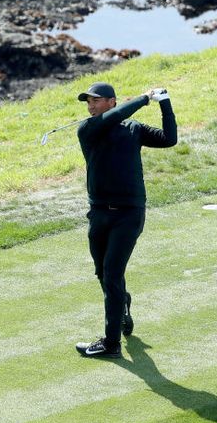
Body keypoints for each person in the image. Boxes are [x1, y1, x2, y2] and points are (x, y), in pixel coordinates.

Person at [73, 82, 176, 358]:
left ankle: (111, 343)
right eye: (88, 102)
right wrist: (144, 98)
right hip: (99, 213)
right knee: (103, 274)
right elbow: (112, 119)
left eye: (95, 101)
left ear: (112, 101)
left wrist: (163, 102)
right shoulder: (87, 130)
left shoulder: (133, 130)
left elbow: (169, 139)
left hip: (129, 214)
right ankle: (122, 304)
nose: (90, 106)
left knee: (112, 273)